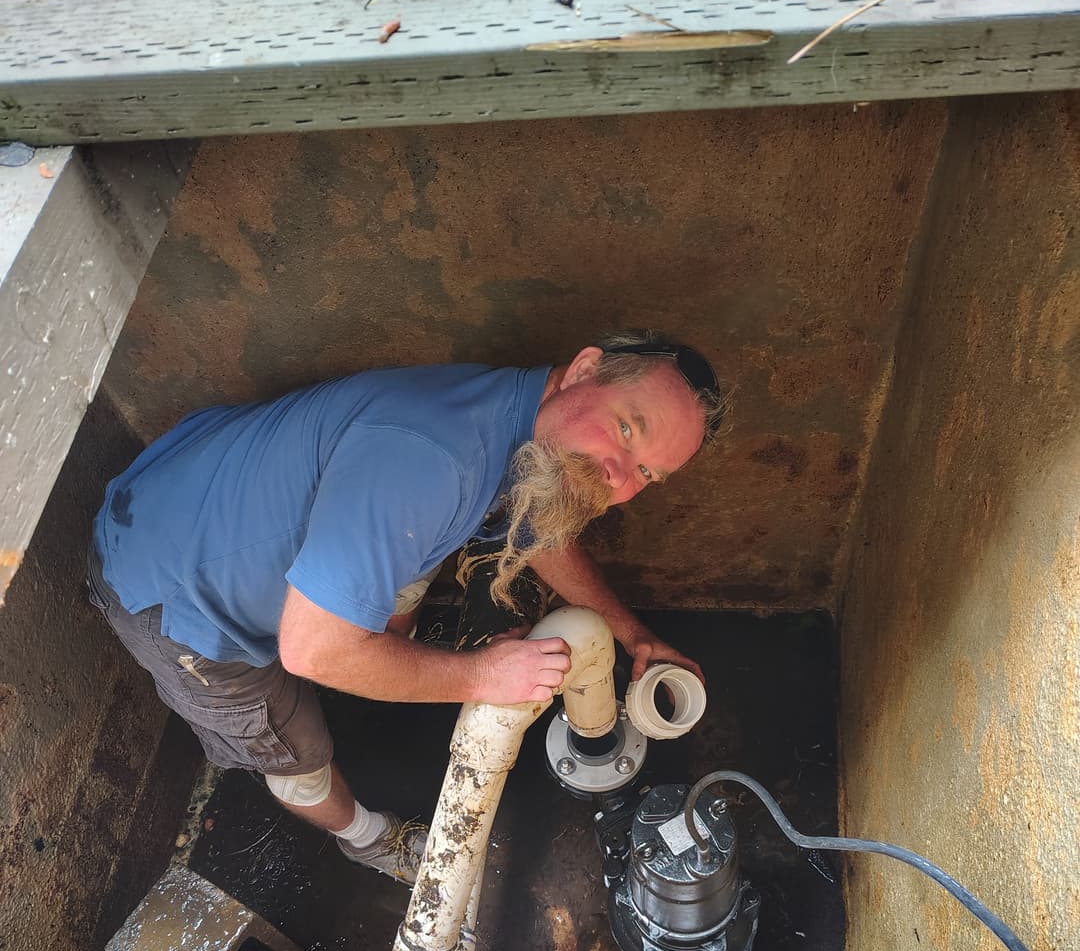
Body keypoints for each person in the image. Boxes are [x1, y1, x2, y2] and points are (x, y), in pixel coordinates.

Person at [88, 331, 724, 886]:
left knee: (389, 599)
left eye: (647, 472)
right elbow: (312, 651)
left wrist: (630, 633)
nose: (618, 477)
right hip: (172, 590)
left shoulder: (519, 419)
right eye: (626, 428)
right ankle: (367, 840)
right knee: (292, 747)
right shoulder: (434, 462)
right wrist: (481, 675)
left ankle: (380, 659)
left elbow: (540, 532)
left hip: (205, 481)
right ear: (585, 370)